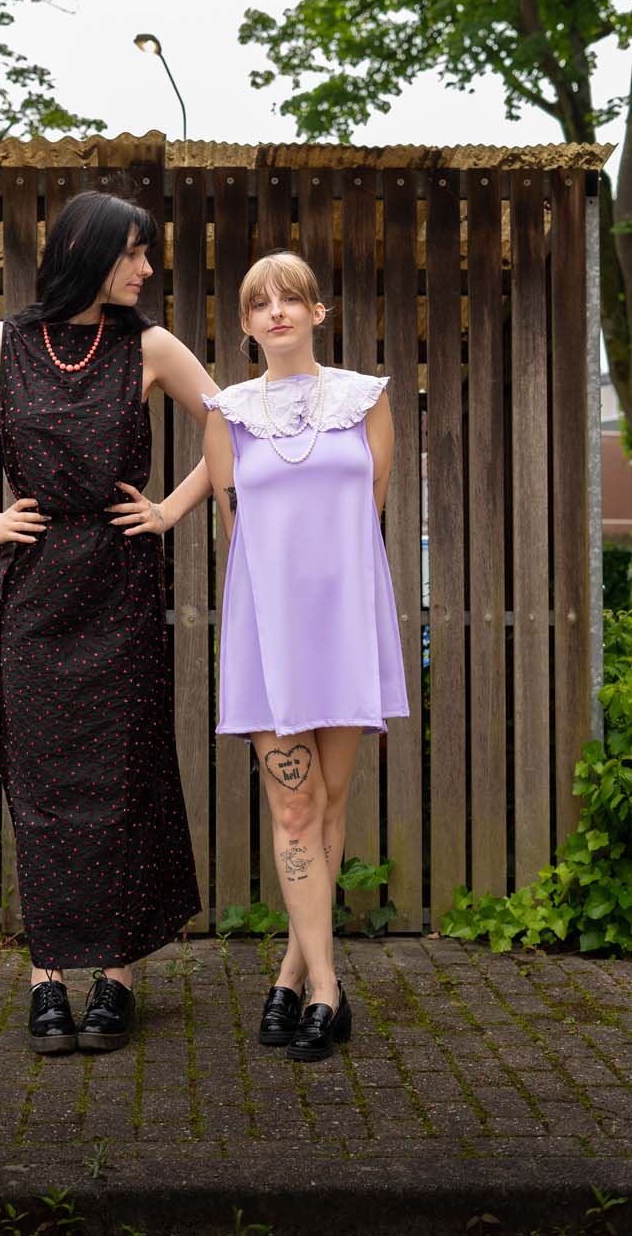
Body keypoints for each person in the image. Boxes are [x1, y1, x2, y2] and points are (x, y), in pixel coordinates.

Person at [0, 189, 219, 1054]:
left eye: (147, 252)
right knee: (41, 789)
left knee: (123, 782)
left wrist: (170, 509)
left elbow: (233, 426)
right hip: (37, 593)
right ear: (86, 251)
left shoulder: (150, 345)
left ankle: (117, 977)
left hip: (122, 586)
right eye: (134, 252)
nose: (146, 268)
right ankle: (46, 978)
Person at [202, 251, 410, 1063]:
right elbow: (238, 530)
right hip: (270, 630)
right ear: (246, 324)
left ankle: (290, 975)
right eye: (261, 303)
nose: (278, 311)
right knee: (293, 806)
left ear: (318, 312)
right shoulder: (227, 412)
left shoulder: (366, 399)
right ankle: (327, 989)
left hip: (345, 622)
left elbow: (371, 507)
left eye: (292, 298)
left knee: (327, 801)